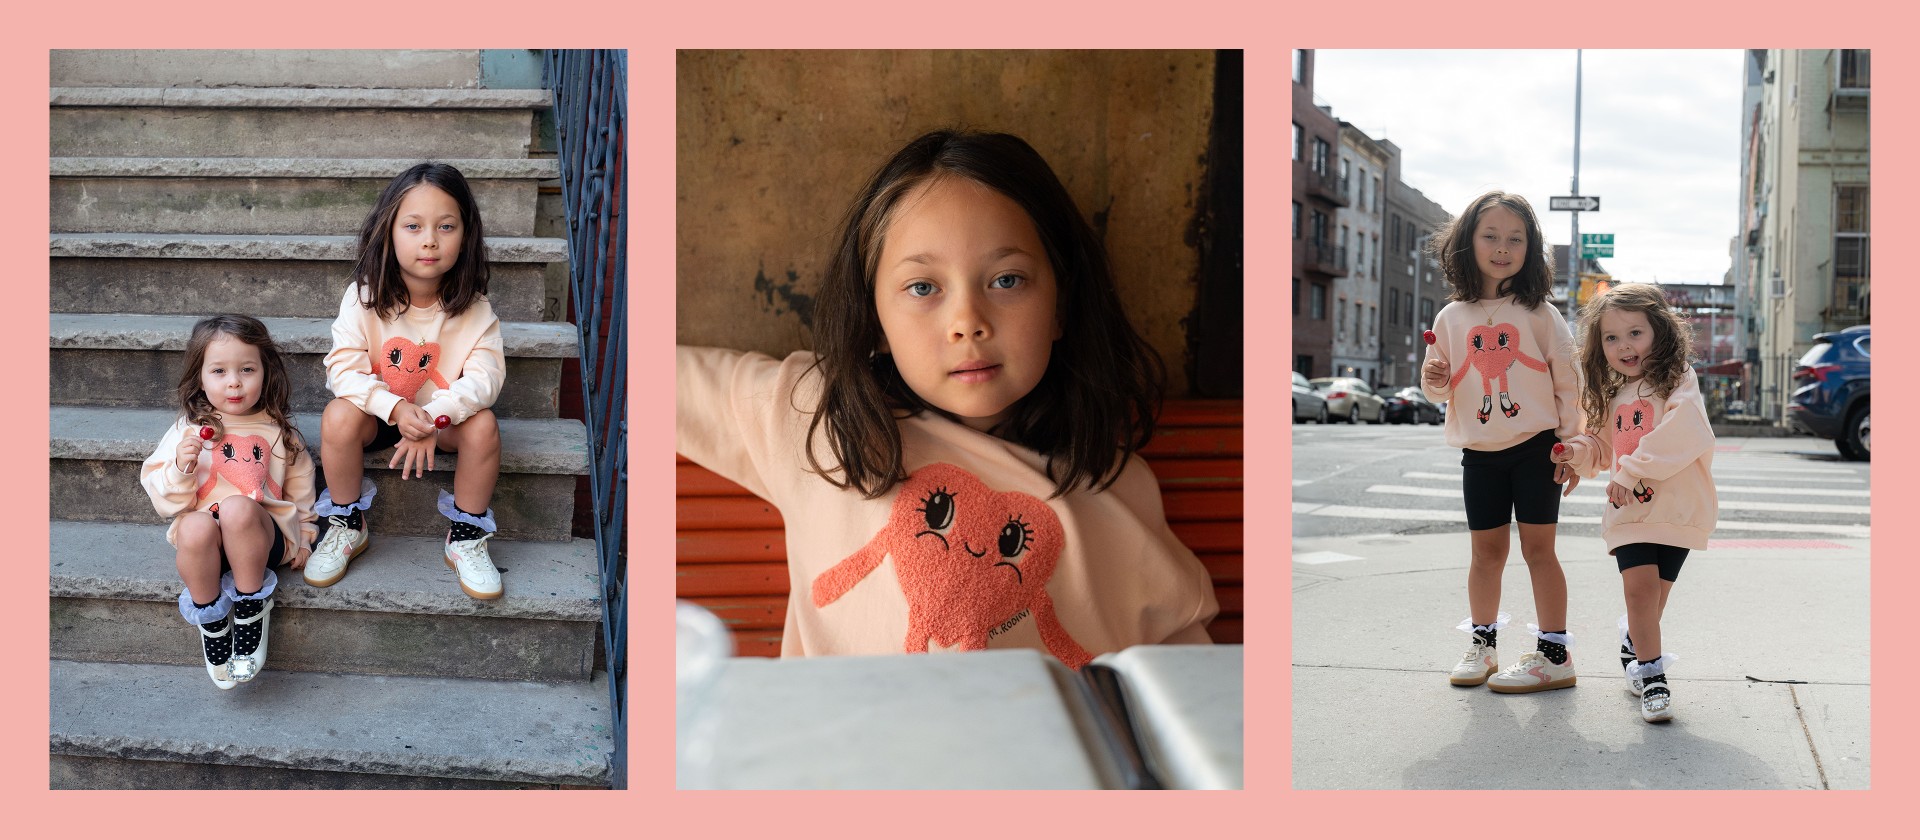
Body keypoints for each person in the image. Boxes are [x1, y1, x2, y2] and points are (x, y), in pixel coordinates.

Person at [677, 130, 1217, 669]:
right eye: (922, 287)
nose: (967, 322)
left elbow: (1187, 684)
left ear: (1060, 307)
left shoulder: (1115, 487)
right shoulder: (814, 415)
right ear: (875, 320)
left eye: (1007, 280)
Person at [309, 162, 507, 599]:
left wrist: (433, 418)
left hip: (443, 422)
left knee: (484, 425)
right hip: (377, 416)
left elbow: (486, 378)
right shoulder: (363, 297)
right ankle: (347, 523)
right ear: (389, 232)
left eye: (446, 226)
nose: (430, 240)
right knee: (338, 415)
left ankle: (466, 536)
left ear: (466, 235)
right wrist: (396, 408)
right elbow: (342, 368)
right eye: (413, 226)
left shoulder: (475, 309)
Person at [1420, 191, 1582, 693]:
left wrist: (1572, 443)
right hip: (1480, 455)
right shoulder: (1451, 317)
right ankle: (1483, 647)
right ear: (1468, 242)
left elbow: (1569, 381)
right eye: (1490, 236)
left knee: (1539, 551)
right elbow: (1440, 388)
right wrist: (1434, 379)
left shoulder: (1540, 313)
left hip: (1537, 448)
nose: (1502, 248)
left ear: (1531, 248)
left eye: (1515, 238)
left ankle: (1554, 656)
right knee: (1485, 554)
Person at [1552, 283, 1716, 722]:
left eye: (1635, 333)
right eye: (1611, 337)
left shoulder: (1678, 381)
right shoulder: (1612, 396)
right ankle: (1653, 676)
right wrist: (1574, 452)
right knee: (1640, 592)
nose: (1623, 346)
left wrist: (1632, 470)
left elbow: (1686, 432)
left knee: (1653, 600)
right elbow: (1601, 447)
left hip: (1677, 509)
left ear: (1659, 331)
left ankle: (1635, 645)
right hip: (1629, 513)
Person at [140, 315, 317, 689]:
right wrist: (182, 468)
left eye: (247, 369)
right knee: (193, 524)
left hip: (260, 541)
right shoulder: (188, 430)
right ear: (200, 378)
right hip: (208, 550)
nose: (234, 382)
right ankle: (212, 621)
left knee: (237, 507)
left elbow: (301, 489)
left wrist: (304, 535)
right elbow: (165, 504)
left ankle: (252, 607)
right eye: (219, 371)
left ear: (266, 373)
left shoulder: (279, 431)